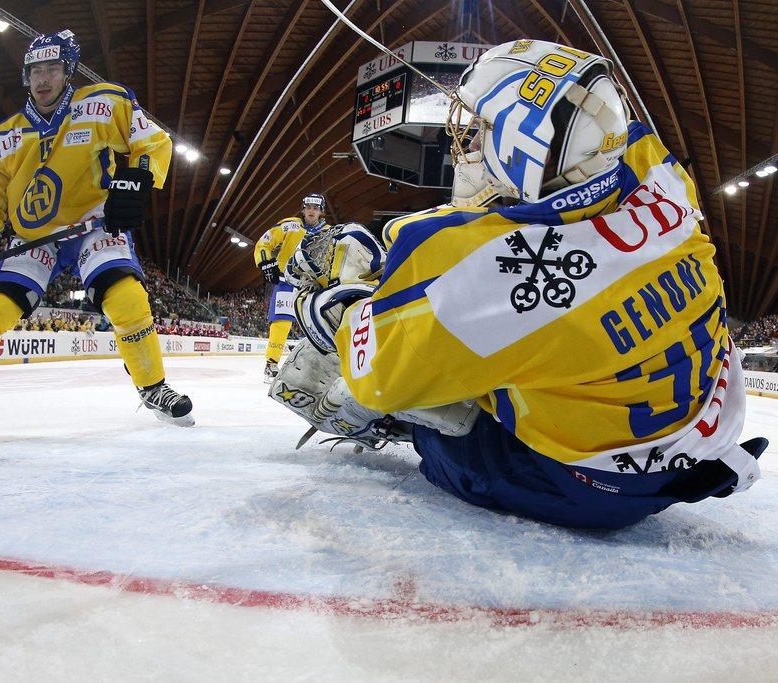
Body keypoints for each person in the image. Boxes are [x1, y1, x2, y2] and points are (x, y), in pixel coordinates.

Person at [289, 40, 766, 529]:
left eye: (481, 130)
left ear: (525, 147)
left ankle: (425, 440)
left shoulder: (485, 271)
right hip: (698, 433)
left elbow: (378, 377)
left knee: (399, 389)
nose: (470, 142)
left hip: (590, 489)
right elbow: (603, 137)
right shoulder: (660, 178)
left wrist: (345, 310)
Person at [0, 30, 193, 437]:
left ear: (68, 72)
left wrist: (136, 178)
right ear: (26, 77)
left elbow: (152, 142)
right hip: (35, 236)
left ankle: (153, 387)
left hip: (93, 223)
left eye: (52, 69)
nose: (43, 79)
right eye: (35, 71)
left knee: (127, 299)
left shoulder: (102, 104)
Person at [253, 192, 329, 382]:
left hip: (312, 285)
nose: (312, 211)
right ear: (303, 209)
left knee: (316, 324)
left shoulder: (329, 232)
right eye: (309, 207)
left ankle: (314, 366)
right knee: (282, 322)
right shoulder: (289, 225)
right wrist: (265, 263)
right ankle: (271, 364)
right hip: (286, 281)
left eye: (316, 208)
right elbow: (264, 242)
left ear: (321, 211)